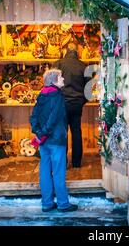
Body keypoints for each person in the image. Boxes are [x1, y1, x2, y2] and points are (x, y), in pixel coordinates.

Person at [30, 69, 78, 213]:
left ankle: (47, 203)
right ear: (54, 81)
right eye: (60, 77)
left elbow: (33, 117)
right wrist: (44, 132)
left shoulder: (41, 94)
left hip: (43, 141)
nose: (63, 79)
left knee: (44, 170)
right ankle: (63, 204)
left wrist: (38, 132)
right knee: (58, 171)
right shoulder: (57, 96)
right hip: (56, 139)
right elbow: (54, 118)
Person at [53, 43, 91, 168]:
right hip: (76, 103)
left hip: (61, 103)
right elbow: (88, 90)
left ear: (66, 51)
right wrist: (81, 100)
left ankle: (62, 163)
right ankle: (76, 163)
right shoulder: (83, 66)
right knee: (76, 132)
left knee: (62, 132)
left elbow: (52, 85)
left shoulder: (58, 64)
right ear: (77, 52)